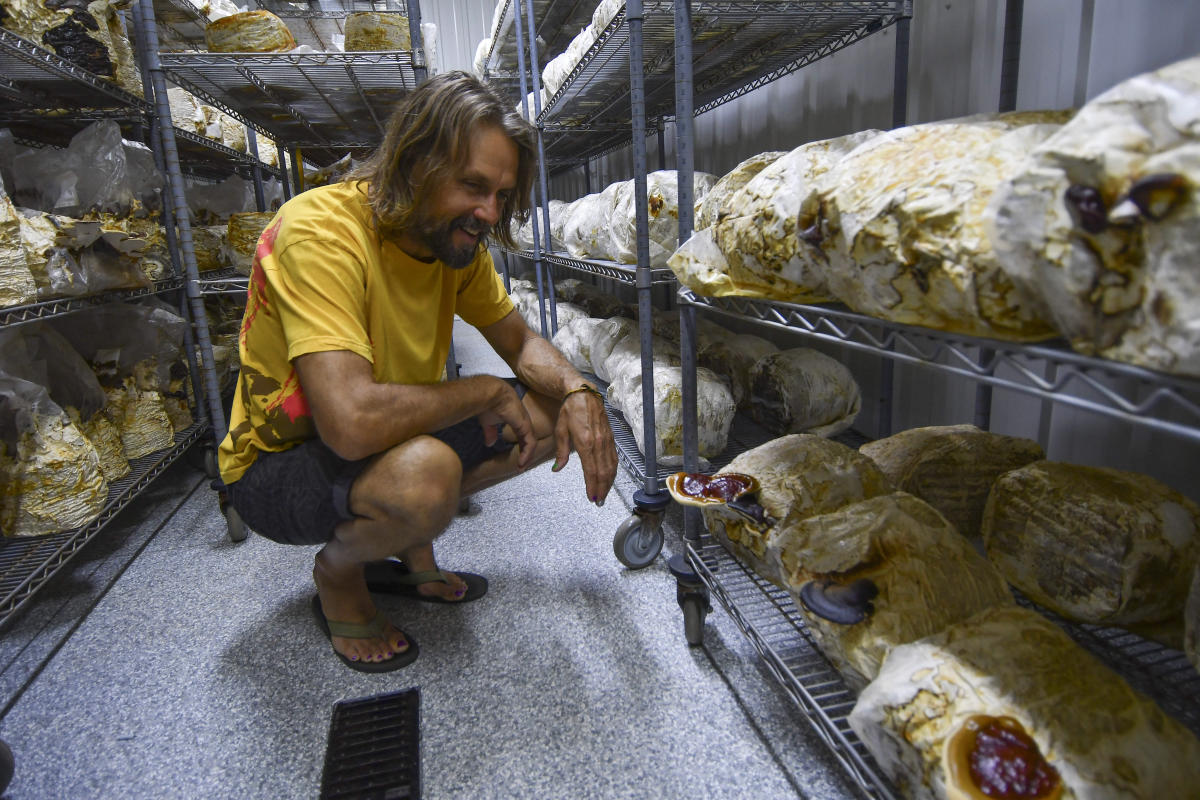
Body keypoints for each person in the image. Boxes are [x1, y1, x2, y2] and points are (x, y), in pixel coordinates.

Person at [217, 71, 618, 672]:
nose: (489, 212)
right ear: (415, 162)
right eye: (473, 186)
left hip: (381, 439)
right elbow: (350, 424)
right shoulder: (321, 233)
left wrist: (582, 390)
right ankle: (340, 570)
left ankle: (406, 535)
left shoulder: (451, 243)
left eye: (502, 195)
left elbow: (520, 342)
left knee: (551, 405)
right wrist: (481, 390)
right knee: (424, 478)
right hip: (277, 467)